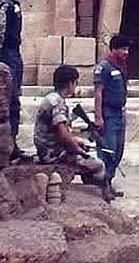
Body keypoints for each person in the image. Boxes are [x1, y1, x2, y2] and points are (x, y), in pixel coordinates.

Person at [34, 65, 112, 201]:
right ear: (70, 83)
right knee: (98, 165)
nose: (75, 86)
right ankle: (98, 198)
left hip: (49, 148)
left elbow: (60, 132)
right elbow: (62, 132)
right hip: (53, 153)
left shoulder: (52, 98)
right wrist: (77, 149)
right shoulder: (57, 102)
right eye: (75, 83)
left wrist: (77, 142)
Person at [93, 34, 131, 198]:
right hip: (108, 113)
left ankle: (110, 180)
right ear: (114, 49)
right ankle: (103, 185)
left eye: (127, 49)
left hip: (119, 112)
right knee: (108, 149)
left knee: (118, 150)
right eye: (123, 48)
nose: (126, 52)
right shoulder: (104, 67)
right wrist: (98, 117)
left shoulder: (121, 66)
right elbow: (98, 93)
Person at [3, 0, 33, 162]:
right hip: (8, 53)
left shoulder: (15, 5)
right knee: (11, 100)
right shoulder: (7, 4)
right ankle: (8, 145)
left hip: (14, 52)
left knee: (16, 100)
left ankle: (12, 143)